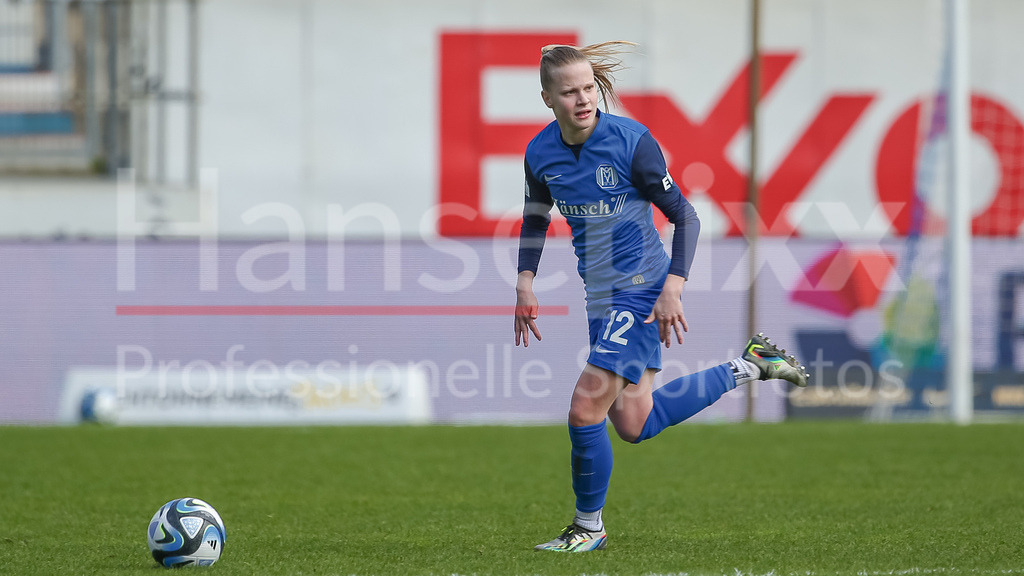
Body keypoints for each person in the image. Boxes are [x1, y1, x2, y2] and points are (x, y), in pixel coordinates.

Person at [514, 41, 809, 553]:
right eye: (569, 92)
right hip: (600, 298)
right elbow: (536, 217)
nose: (583, 99)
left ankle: (588, 528)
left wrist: (674, 284)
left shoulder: (632, 141)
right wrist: (525, 279)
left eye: (589, 88)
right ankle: (751, 365)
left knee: (584, 410)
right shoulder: (540, 153)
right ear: (547, 97)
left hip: (642, 289)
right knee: (632, 422)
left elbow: (685, 216)